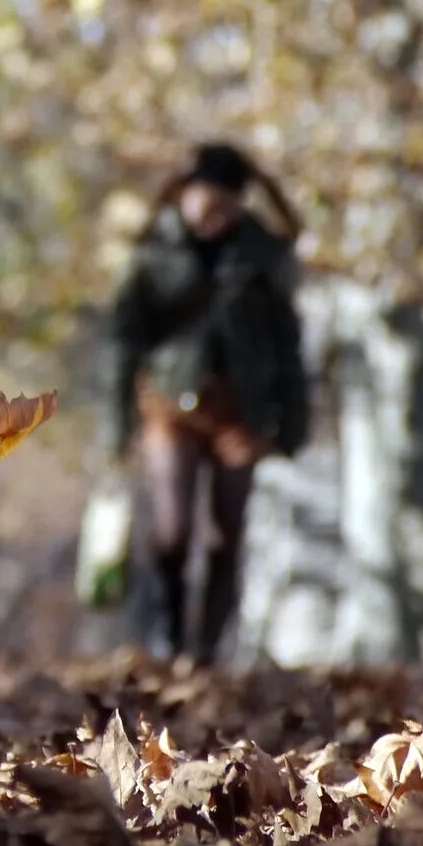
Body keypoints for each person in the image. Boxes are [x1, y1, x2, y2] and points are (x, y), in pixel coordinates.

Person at [104, 141, 310, 666]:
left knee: (225, 534)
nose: (213, 217)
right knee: (173, 530)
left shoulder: (265, 257)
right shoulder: (153, 253)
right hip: (169, 403)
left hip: (241, 410)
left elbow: (287, 344)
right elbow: (122, 342)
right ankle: (168, 632)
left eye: (226, 206)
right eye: (205, 204)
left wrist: (291, 424)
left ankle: (206, 651)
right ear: (184, 196)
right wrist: (116, 425)